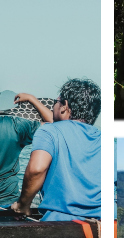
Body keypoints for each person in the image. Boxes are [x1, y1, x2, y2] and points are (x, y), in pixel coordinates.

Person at [9, 79, 101, 222]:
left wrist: (23, 205)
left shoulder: (49, 131)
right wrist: (33, 100)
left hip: (61, 224)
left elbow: (36, 169)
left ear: (64, 106)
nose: (52, 107)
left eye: (55, 102)